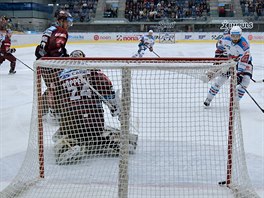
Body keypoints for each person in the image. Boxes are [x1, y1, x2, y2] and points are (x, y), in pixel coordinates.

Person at [52, 50, 138, 165]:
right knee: (101, 131)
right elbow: (110, 95)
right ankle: (113, 142)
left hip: (70, 123)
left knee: (58, 135)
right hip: (94, 121)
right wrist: (118, 111)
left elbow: (55, 104)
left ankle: (67, 147)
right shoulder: (94, 72)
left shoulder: (60, 77)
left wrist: (59, 115)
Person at [36, 10, 73, 120]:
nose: (69, 25)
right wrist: (65, 58)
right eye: (67, 22)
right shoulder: (61, 31)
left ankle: (43, 110)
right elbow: (55, 51)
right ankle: (54, 113)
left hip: (43, 64)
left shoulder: (49, 29)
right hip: (52, 65)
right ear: (61, 21)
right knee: (58, 88)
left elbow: (40, 50)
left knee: (52, 87)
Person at [204, 26, 253, 106]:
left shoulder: (244, 45)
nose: (235, 38)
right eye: (233, 36)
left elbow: (244, 61)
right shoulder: (225, 39)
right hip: (231, 62)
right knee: (220, 80)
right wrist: (220, 56)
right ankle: (208, 98)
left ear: (240, 35)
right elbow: (218, 46)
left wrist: (239, 74)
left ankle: (235, 101)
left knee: (245, 81)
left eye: (237, 36)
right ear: (230, 35)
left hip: (245, 62)